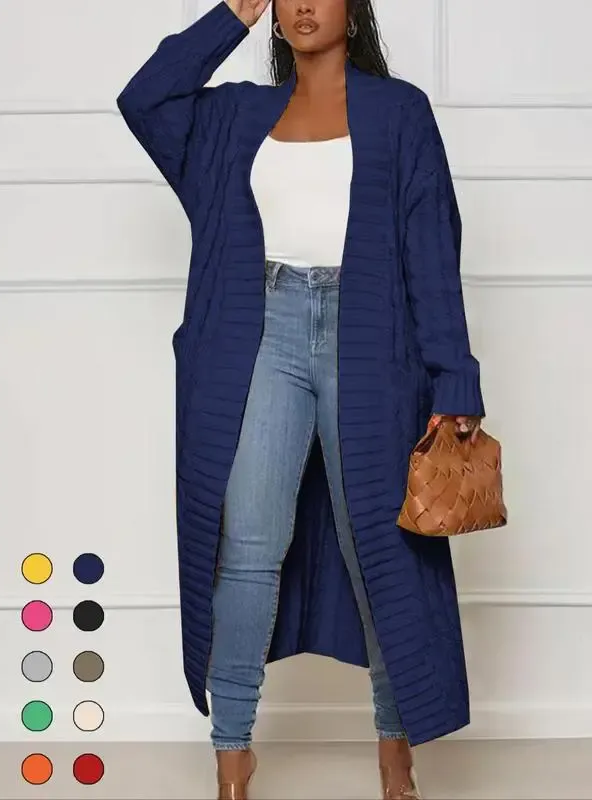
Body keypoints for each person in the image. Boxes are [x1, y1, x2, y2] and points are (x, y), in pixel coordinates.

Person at [116, 1, 485, 798]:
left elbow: (432, 248)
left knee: (378, 549)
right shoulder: (233, 116)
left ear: (354, 8)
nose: (305, 3)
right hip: (260, 331)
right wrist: (229, 17)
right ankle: (232, 753)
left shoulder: (399, 111)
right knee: (247, 545)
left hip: (371, 340)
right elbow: (144, 98)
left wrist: (454, 377)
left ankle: (394, 747)